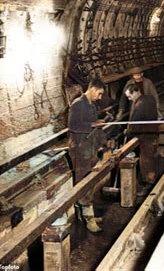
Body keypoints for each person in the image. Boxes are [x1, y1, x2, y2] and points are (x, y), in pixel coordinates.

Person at [68, 78, 107, 233]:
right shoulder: (78, 104)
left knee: (89, 183)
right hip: (81, 150)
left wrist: (103, 141)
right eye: (99, 93)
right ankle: (89, 219)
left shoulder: (91, 105)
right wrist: (93, 124)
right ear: (92, 89)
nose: (100, 97)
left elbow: (94, 127)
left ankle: (84, 213)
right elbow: (73, 126)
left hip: (90, 149)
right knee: (84, 183)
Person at [124, 84, 159, 195]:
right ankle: (150, 182)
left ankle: (149, 186)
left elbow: (135, 123)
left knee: (146, 161)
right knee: (150, 158)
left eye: (130, 96)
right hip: (153, 133)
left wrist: (127, 132)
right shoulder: (150, 99)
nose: (130, 99)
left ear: (135, 92)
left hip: (145, 136)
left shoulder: (140, 104)